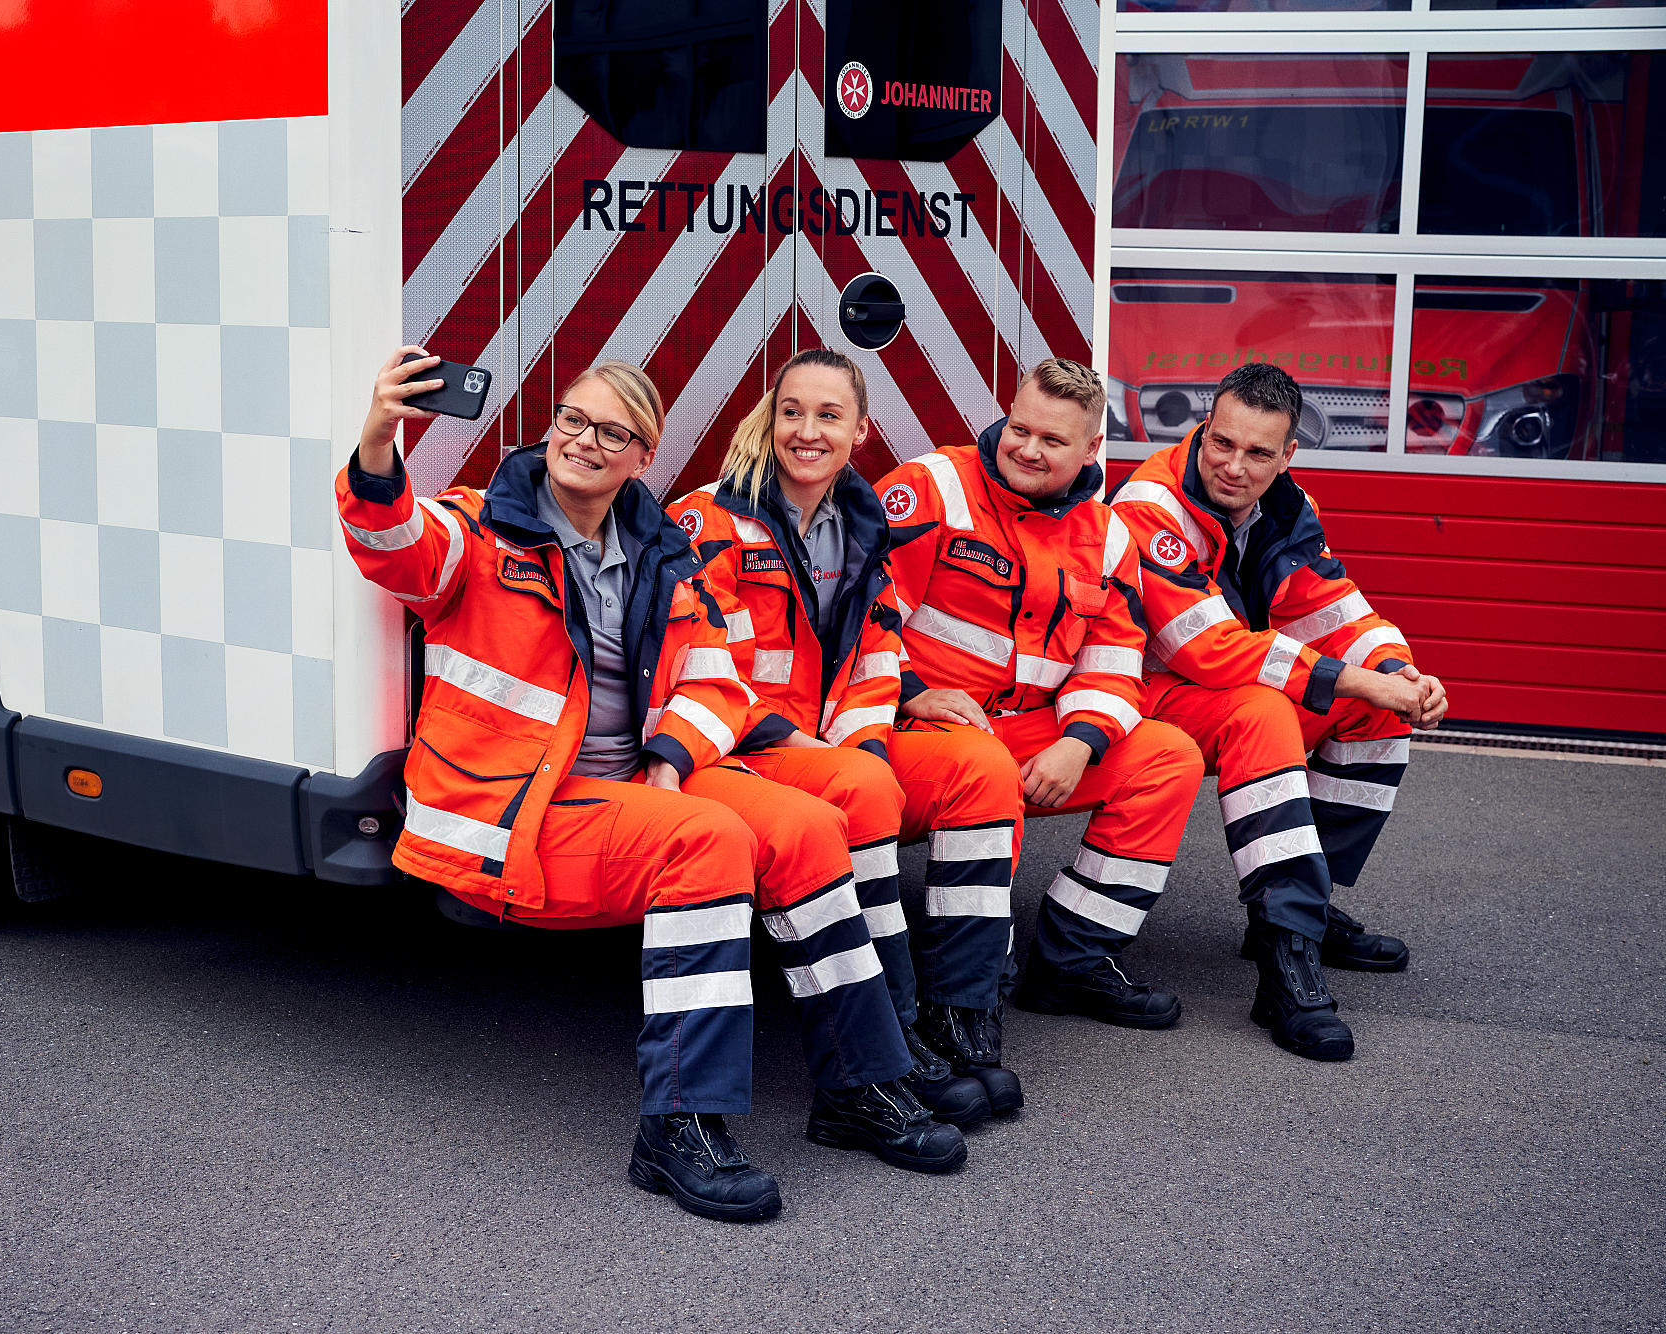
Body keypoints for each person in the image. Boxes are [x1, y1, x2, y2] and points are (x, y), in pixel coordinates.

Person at [337, 349, 964, 1224]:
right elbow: (392, 544)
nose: (584, 442)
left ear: (645, 456)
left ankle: (860, 1086)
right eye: (572, 421)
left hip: (631, 785)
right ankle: (676, 1127)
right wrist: (379, 435)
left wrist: (670, 764)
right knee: (707, 843)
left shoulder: (663, 551)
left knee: (811, 825)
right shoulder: (482, 529)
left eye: (613, 433)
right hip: (514, 809)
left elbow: (716, 681)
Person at [669, 348, 1024, 1126]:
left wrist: (861, 745)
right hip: (732, 747)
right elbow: (696, 666)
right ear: (770, 417)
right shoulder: (709, 518)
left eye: (828, 416)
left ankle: (959, 1019)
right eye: (792, 411)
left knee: (981, 767)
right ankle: (891, 1037)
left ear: (860, 431)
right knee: (862, 789)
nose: (806, 431)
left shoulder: (861, 522)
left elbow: (879, 653)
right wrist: (822, 754)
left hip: (829, 746)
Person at [1109, 362, 1447, 1061]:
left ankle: (1303, 916)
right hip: (1144, 695)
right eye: (1221, 443)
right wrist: (1350, 678)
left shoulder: (1288, 504)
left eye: (1258, 453)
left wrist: (1399, 673)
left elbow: (1330, 607)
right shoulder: (1151, 504)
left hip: (1221, 687)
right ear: (1203, 427)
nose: (1234, 466)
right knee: (1266, 711)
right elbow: (1200, 647)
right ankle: (1285, 967)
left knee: (1375, 713)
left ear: (1288, 453)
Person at [875, 358, 1205, 1034]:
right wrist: (912, 691)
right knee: (985, 768)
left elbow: (1115, 664)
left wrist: (1078, 744)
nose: (1026, 449)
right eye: (1019, 429)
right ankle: (962, 994)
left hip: (1027, 735)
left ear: (1091, 449)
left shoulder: (1109, 535)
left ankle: (1074, 959)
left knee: (1169, 756)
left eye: (1052, 442)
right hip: (910, 731)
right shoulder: (932, 486)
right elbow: (859, 613)